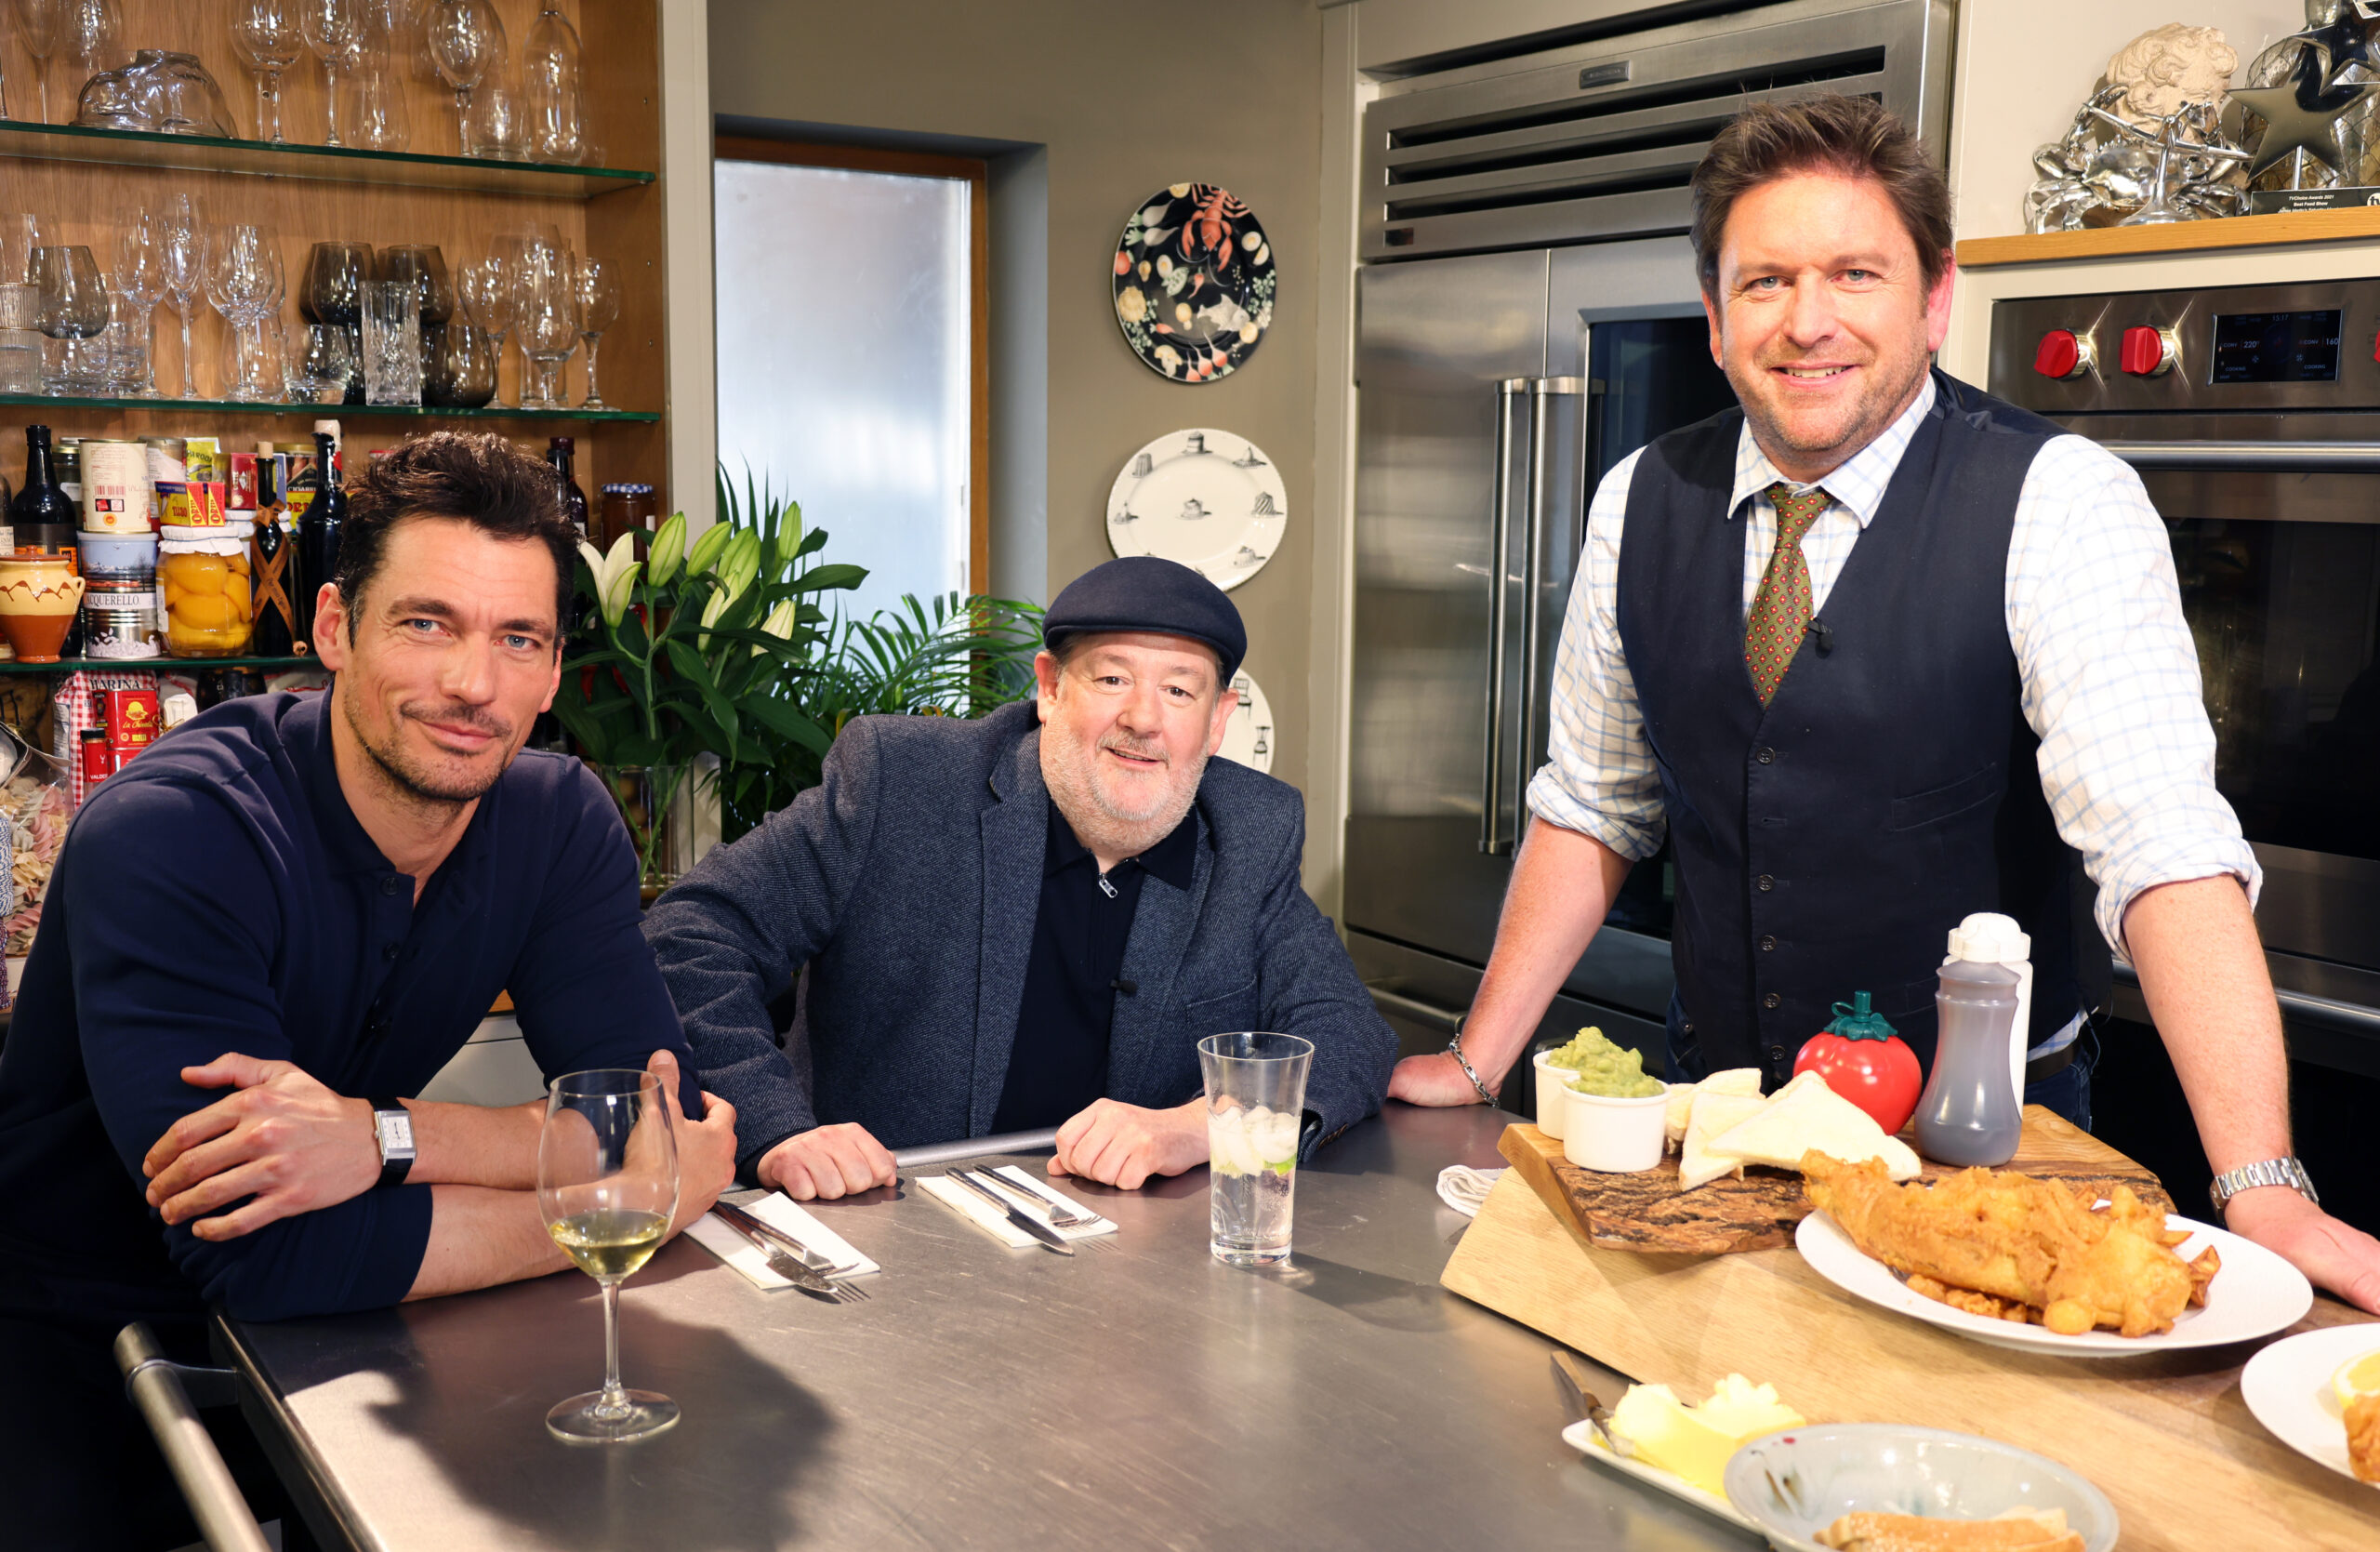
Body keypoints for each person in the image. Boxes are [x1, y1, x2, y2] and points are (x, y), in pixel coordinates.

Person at [1387, 95, 2380, 1314]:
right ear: (1713, 317)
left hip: (1984, 1147)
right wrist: (1475, 1059)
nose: (1808, 322)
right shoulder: (1638, 498)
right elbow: (1592, 804)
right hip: (1726, 1114)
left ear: (1934, 299)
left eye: (1855, 273)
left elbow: (2162, 851)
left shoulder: (2059, 504)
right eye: (1765, 283)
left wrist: (2263, 1183)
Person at [0, 431, 738, 1549]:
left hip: (357, 1347)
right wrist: (626, 1206)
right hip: (82, 1357)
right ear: (336, 628)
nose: (472, 683)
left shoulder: (560, 822)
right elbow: (261, 1253)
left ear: (550, 672)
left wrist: (380, 1137)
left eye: (518, 638)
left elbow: (647, 1127)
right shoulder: (175, 835)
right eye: (427, 622)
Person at [647, 555, 1396, 1200]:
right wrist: (778, 1127)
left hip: (1133, 1280)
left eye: (1179, 690)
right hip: (889, 1241)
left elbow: (1348, 1033)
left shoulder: (1249, 835)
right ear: (1049, 687)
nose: (1144, 718)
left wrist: (1196, 1127)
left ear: (1219, 718)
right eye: (1112, 677)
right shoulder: (902, 784)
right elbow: (686, 937)